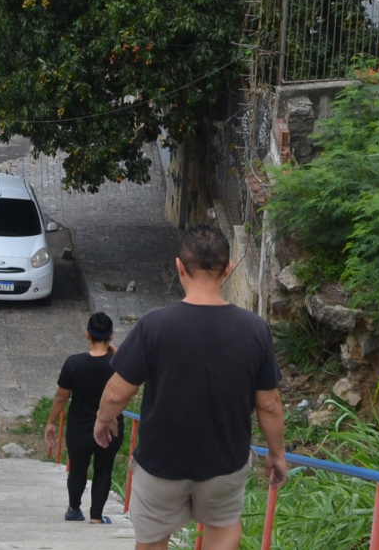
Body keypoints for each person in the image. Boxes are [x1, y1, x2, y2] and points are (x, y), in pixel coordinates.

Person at [94, 225, 286, 550]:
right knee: (223, 528)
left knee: (152, 540)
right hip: (224, 462)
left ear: (180, 266)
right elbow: (269, 404)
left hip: (160, 463)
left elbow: (116, 392)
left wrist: (103, 420)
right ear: (228, 268)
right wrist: (277, 454)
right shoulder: (255, 330)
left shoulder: (154, 325)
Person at [53, 311, 121, 522]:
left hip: (79, 428)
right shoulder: (117, 365)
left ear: (86, 334)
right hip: (110, 427)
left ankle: (74, 509)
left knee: (77, 468)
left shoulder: (74, 363)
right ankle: (97, 517)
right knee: (103, 470)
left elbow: (60, 397)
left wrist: (50, 422)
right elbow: (128, 380)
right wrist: (115, 352)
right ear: (111, 335)